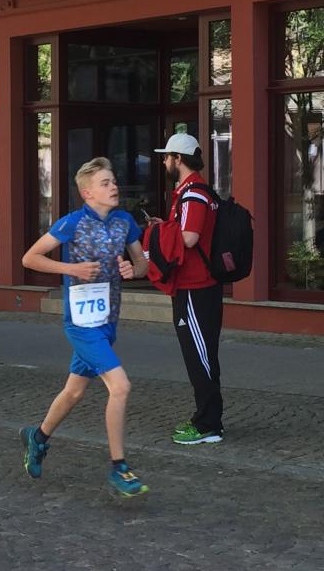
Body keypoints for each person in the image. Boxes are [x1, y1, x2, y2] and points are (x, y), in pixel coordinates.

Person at [19, 157, 150, 498]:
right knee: (120, 386)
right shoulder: (72, 223)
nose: (114, 186)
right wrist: (71, 269)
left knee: (74, 391)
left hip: (107, 321)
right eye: (106, 183)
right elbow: (30, 258)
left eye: (114, 181)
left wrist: (133, 270)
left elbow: (142, 264)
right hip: (80, 324)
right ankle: (119, 467)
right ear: (88, 193)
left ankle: (38, 437)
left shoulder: (124, 222)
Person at [152, 133, 224, 445]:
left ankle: (208, 425)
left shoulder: (193, 192)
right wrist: (166, 227)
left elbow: (190, 237)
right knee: (200, 355)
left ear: (178, 159)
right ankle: (207, 419)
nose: (164, 162)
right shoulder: (190, 191)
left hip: (196, 287)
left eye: (167, 157)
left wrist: (160, 234)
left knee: (200, 357)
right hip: (196, 286)